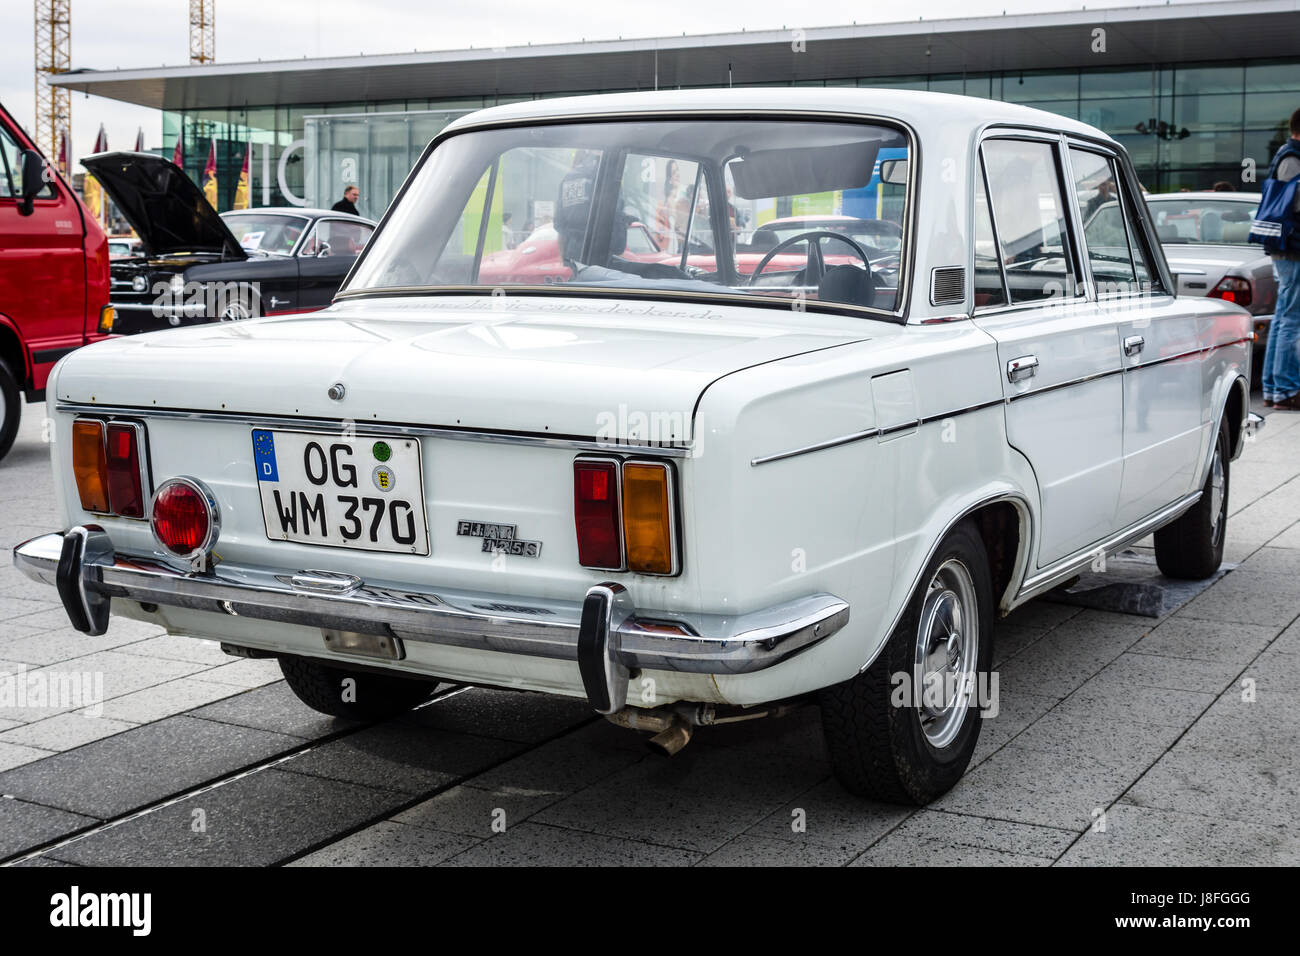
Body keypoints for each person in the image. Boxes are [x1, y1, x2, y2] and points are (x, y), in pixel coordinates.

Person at [1262, 108, 1300, 410]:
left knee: (1283, 318)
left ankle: (1275, 388)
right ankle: (1285, 390)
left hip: (1287, 247)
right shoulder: (1292, 157)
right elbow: (1291, 204)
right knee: (1291, 319)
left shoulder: (1287, 154)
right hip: (1292, 247)